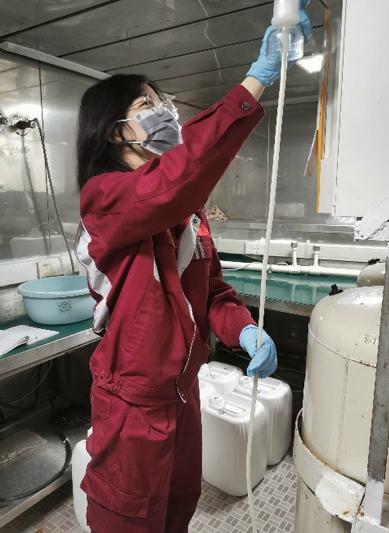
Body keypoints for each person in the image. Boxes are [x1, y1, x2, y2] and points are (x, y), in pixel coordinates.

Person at [74, 4, 311, 532]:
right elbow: (171, 183)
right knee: (129, 519)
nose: (164, 113)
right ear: (113, 132)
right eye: (147, 104)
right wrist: (254, 81)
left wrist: (244, 329)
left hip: (184, 392)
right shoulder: (105, 199)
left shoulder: (190, 214)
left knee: (177, 510)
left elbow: (212, 293)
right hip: (133, 404)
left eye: (164, 103)